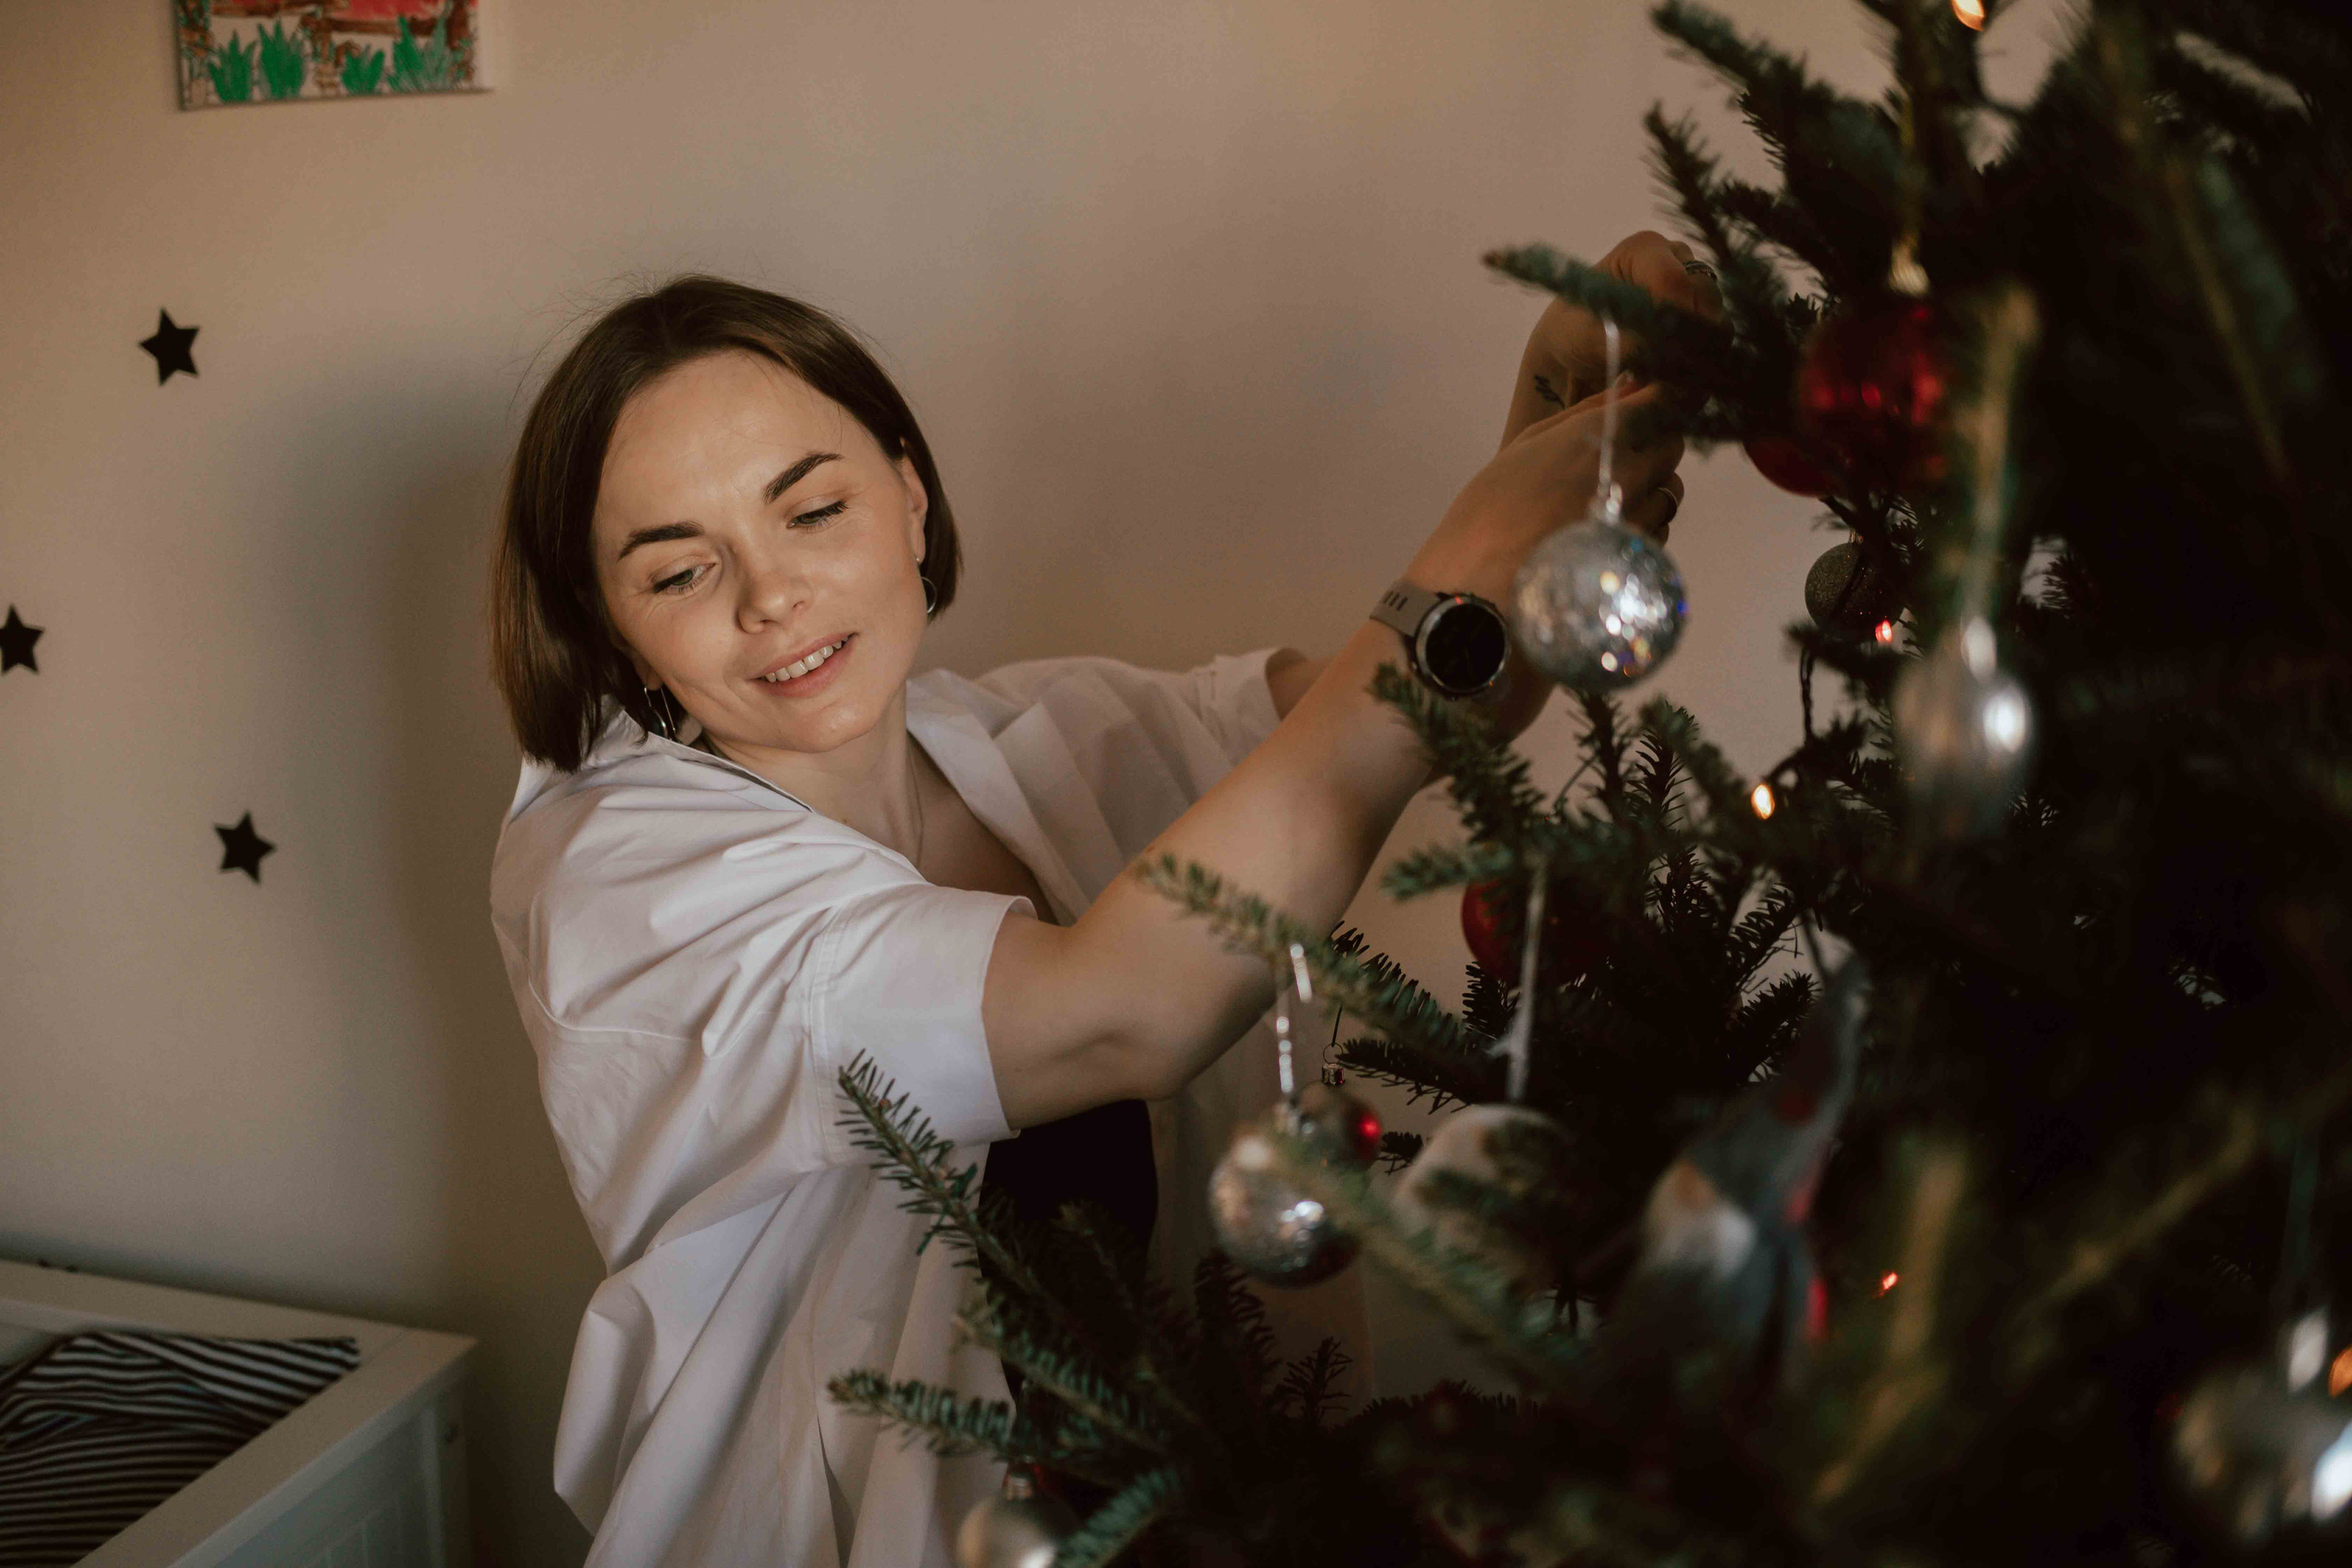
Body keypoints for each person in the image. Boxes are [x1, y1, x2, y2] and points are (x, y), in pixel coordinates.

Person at [488, 234, 1712, 1565]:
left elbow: (1411, 714)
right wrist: (1468, 558)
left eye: (813, 508)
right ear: (615, 633)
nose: (773, 594)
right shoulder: (624, 875)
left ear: (909, 496)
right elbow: (1128, 1009)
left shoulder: (1022, 729)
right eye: (680, 570)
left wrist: (1550, 447)